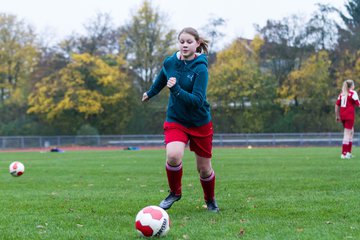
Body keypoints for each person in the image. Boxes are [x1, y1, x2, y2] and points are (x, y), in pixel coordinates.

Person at [142, 27, 219, 212]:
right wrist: (150, 93)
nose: (185, 45)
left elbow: (197, 101)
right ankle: (174, 193)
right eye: (182, 41)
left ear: (197, 44)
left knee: (204, 169)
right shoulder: (170, 62)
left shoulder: (201, 68)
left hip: (200, 122)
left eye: (189, 42)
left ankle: (210, 200)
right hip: (176, 119)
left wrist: (176, 90)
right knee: (173, 155)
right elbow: (162, 78)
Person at [335, 79, 360, 159]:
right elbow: (358, 104)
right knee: (347, 133)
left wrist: (337, 115)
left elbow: (336, 105)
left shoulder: (342, 94)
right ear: (352, 85)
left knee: (351, 132)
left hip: (343, 116)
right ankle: (344, 153)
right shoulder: (353, 93)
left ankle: (348, 153)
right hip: (349, 116)